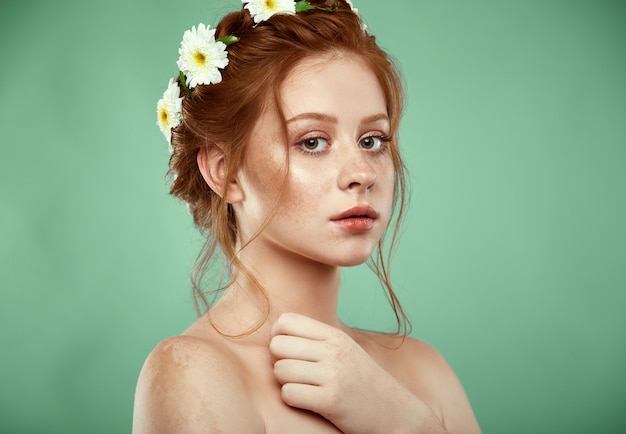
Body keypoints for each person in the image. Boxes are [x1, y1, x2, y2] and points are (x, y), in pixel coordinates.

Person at [133, 0, 481, 432]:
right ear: (225, 172)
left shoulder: (423, 370)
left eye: (372, 140)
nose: (361, 173)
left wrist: (405, 422)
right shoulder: (192, 373)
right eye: (313, 142)